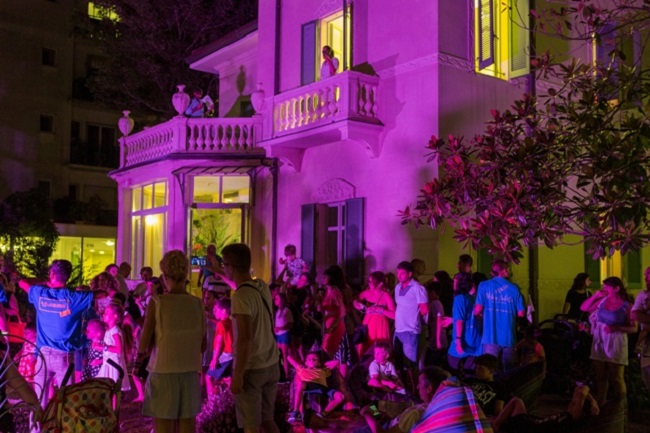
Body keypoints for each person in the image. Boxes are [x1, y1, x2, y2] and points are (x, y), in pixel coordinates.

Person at [137, 250, 206, 433]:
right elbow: (203, 344)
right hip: (190, 372)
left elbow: (143, 344)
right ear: (185, 275)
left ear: (164, 277)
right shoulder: (197, 304)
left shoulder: (158, 302)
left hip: (163, 371)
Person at [19, 259, 94, 410]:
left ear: (52, 274)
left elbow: (22, 283)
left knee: (38, 401)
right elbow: (98, 294)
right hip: (64, 356)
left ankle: (37, 424)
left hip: (43, 354)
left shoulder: (40, 293)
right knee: (68, 401)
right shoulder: (74, 298)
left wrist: (46, 282)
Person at [221, 243, 280, 433]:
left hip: (252, 367)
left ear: (232, 268)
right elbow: (241, 285)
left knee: (251, 425)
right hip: (271, 362)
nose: (223, 268)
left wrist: (238, 374)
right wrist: (217, 271)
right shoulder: (261, 286)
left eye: (224, 265)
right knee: (268, 421)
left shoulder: (240, 297)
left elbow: (245, 338)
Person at [580, 276, 636, 406]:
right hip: (600, 339)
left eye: (607, 286)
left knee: (617, 378)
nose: (604, 288)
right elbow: (584, 308)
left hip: (616, 341)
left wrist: (616, 328)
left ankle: (621, 406)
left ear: (616, 288)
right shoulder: (602, 301)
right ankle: (600, 405)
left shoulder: (627, 306)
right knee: (601, 377)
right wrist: (596, 296)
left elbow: (634, 328)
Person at [359, 366, 449, 433]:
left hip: (385, 427)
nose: (417, 387)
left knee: (362, 421)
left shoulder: (416, 414)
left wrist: (367, 414)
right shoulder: (432, 405)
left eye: (420, 384)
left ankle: (365, 404)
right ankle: (368, 402)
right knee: (375, 406)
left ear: (429, 389)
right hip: (390, 419)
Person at [474, 260, 525, 371]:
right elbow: (521, 313)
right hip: (508, 337)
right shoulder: (514, 288)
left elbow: (477, 310)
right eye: (508, 268)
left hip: (490, 336)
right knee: (510, 372)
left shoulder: (484, 286)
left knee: (489, 370)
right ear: (504, 270)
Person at [286, 351, 345, 423]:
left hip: (322, 387)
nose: (312, 360)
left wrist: (323, 364)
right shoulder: (302, 369)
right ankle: (296, 411)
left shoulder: (324, 370)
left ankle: (322, 414)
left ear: (319, 362)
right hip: (309, 386)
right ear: (306, 362)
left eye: (315, 359)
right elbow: (289, 357)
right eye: (309, 359)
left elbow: (337, 362)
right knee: (301, 383)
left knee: (340, 396)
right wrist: (302, 363)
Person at [392, 261, 428, 374]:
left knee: (410, 365)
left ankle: (413, 384)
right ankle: (401, 384)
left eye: (402, 273)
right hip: (398, 329)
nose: (399, 276)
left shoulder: (418, 288)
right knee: (398, 363)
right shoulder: (397, 287)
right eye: (397, 273)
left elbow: (424, 310)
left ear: (409, 274)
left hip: (411, 330)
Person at [447, 272, 482, 378]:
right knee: (470, 371)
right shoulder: (472, 298)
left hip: (465, 339)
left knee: (452, 364)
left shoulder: (459, 299)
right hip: (475, 338)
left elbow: (460, 321)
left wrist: (458, 340)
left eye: (455, 280)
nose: (453, 283)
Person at [353, 271, 396, 358]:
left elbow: (394, 315)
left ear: (380, 284)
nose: (369, 283)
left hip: (380, 325)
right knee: (366, 348)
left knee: (380, 348)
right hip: (368, 323)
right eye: (368, 281)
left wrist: (381, 310)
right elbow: (355, 301)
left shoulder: (386, 296)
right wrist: (358, 305)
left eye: (371, 282)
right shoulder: (366, 293)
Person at [97, 303, 132, 392]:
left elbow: (119, 349)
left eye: (107, 312)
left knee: (113, 389)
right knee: (109, 389)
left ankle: (115, 401)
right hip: (108, 363)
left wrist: (104, 347)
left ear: (115, 316)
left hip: (114, 365)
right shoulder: (109, 330)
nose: (104, 314)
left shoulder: (115, 331)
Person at [207, 298, 234, 393]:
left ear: (224, 311)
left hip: (223, 357)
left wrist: (214, 359)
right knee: (227, 379)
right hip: (231, 356)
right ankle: (232, 399)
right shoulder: (231, 322)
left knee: (208, 377)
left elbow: (219, 342)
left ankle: (212, 399)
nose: (214, 311)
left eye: (216, 309)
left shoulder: (221, 324)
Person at [631, 266, 650, 394]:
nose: (646, 280)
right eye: (646, 277)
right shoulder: (643, 295)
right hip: (647, 349)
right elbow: (635, 314)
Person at [273, 292, 293, 381]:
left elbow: (290, 323)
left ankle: (286, 375)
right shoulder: (277, 311)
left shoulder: (286, 310)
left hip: (284, 334)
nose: (275, 300)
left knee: (285, 355)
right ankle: (280, 374)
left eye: (277, 299)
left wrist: (280, 328)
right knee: (279, 355)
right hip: (278, 335)